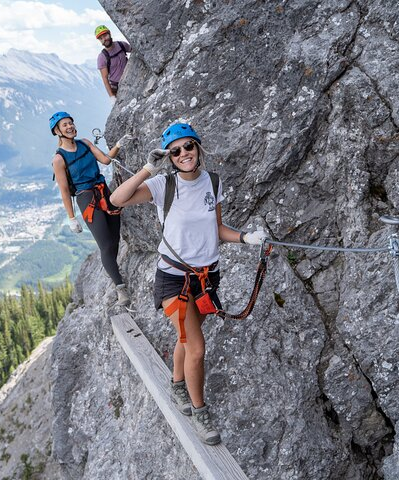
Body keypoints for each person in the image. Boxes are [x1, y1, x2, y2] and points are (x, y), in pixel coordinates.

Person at [109, 123, 269, 445]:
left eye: (188, 147)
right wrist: (147, 168)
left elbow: (217, 228)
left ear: (198, 148)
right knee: (196, 347)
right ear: (170, 156)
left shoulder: (213, 182)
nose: (184, 154)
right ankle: (200, 412)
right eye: (176, 150)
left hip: (207, 277)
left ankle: (178, 384)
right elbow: (117, 199)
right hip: (173, 278)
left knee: (186, 337)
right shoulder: (162, 185)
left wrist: (246, 238)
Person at [49, 111, 132, 307]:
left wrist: (119, 144)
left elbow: (104, 160)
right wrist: (71, 218)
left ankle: (114, 272)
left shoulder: (85, 143)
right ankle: (120, 288)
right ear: (57, 131)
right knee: (105, 244)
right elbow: (63, 190)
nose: (70, 127)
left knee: (114, 238)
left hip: (104, 191)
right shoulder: (59, 159)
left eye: (71, 123)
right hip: (86, 199)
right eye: (65, 125)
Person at [95, 25, 132, 102]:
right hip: (117, 87)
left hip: (131, 77)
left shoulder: (122, 45)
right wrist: (112, 97)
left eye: (105, 35)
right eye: (101, 38)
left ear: (109, 34)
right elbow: (105, 79)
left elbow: (135, 51)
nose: (104, 39)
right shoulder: (102, 57)